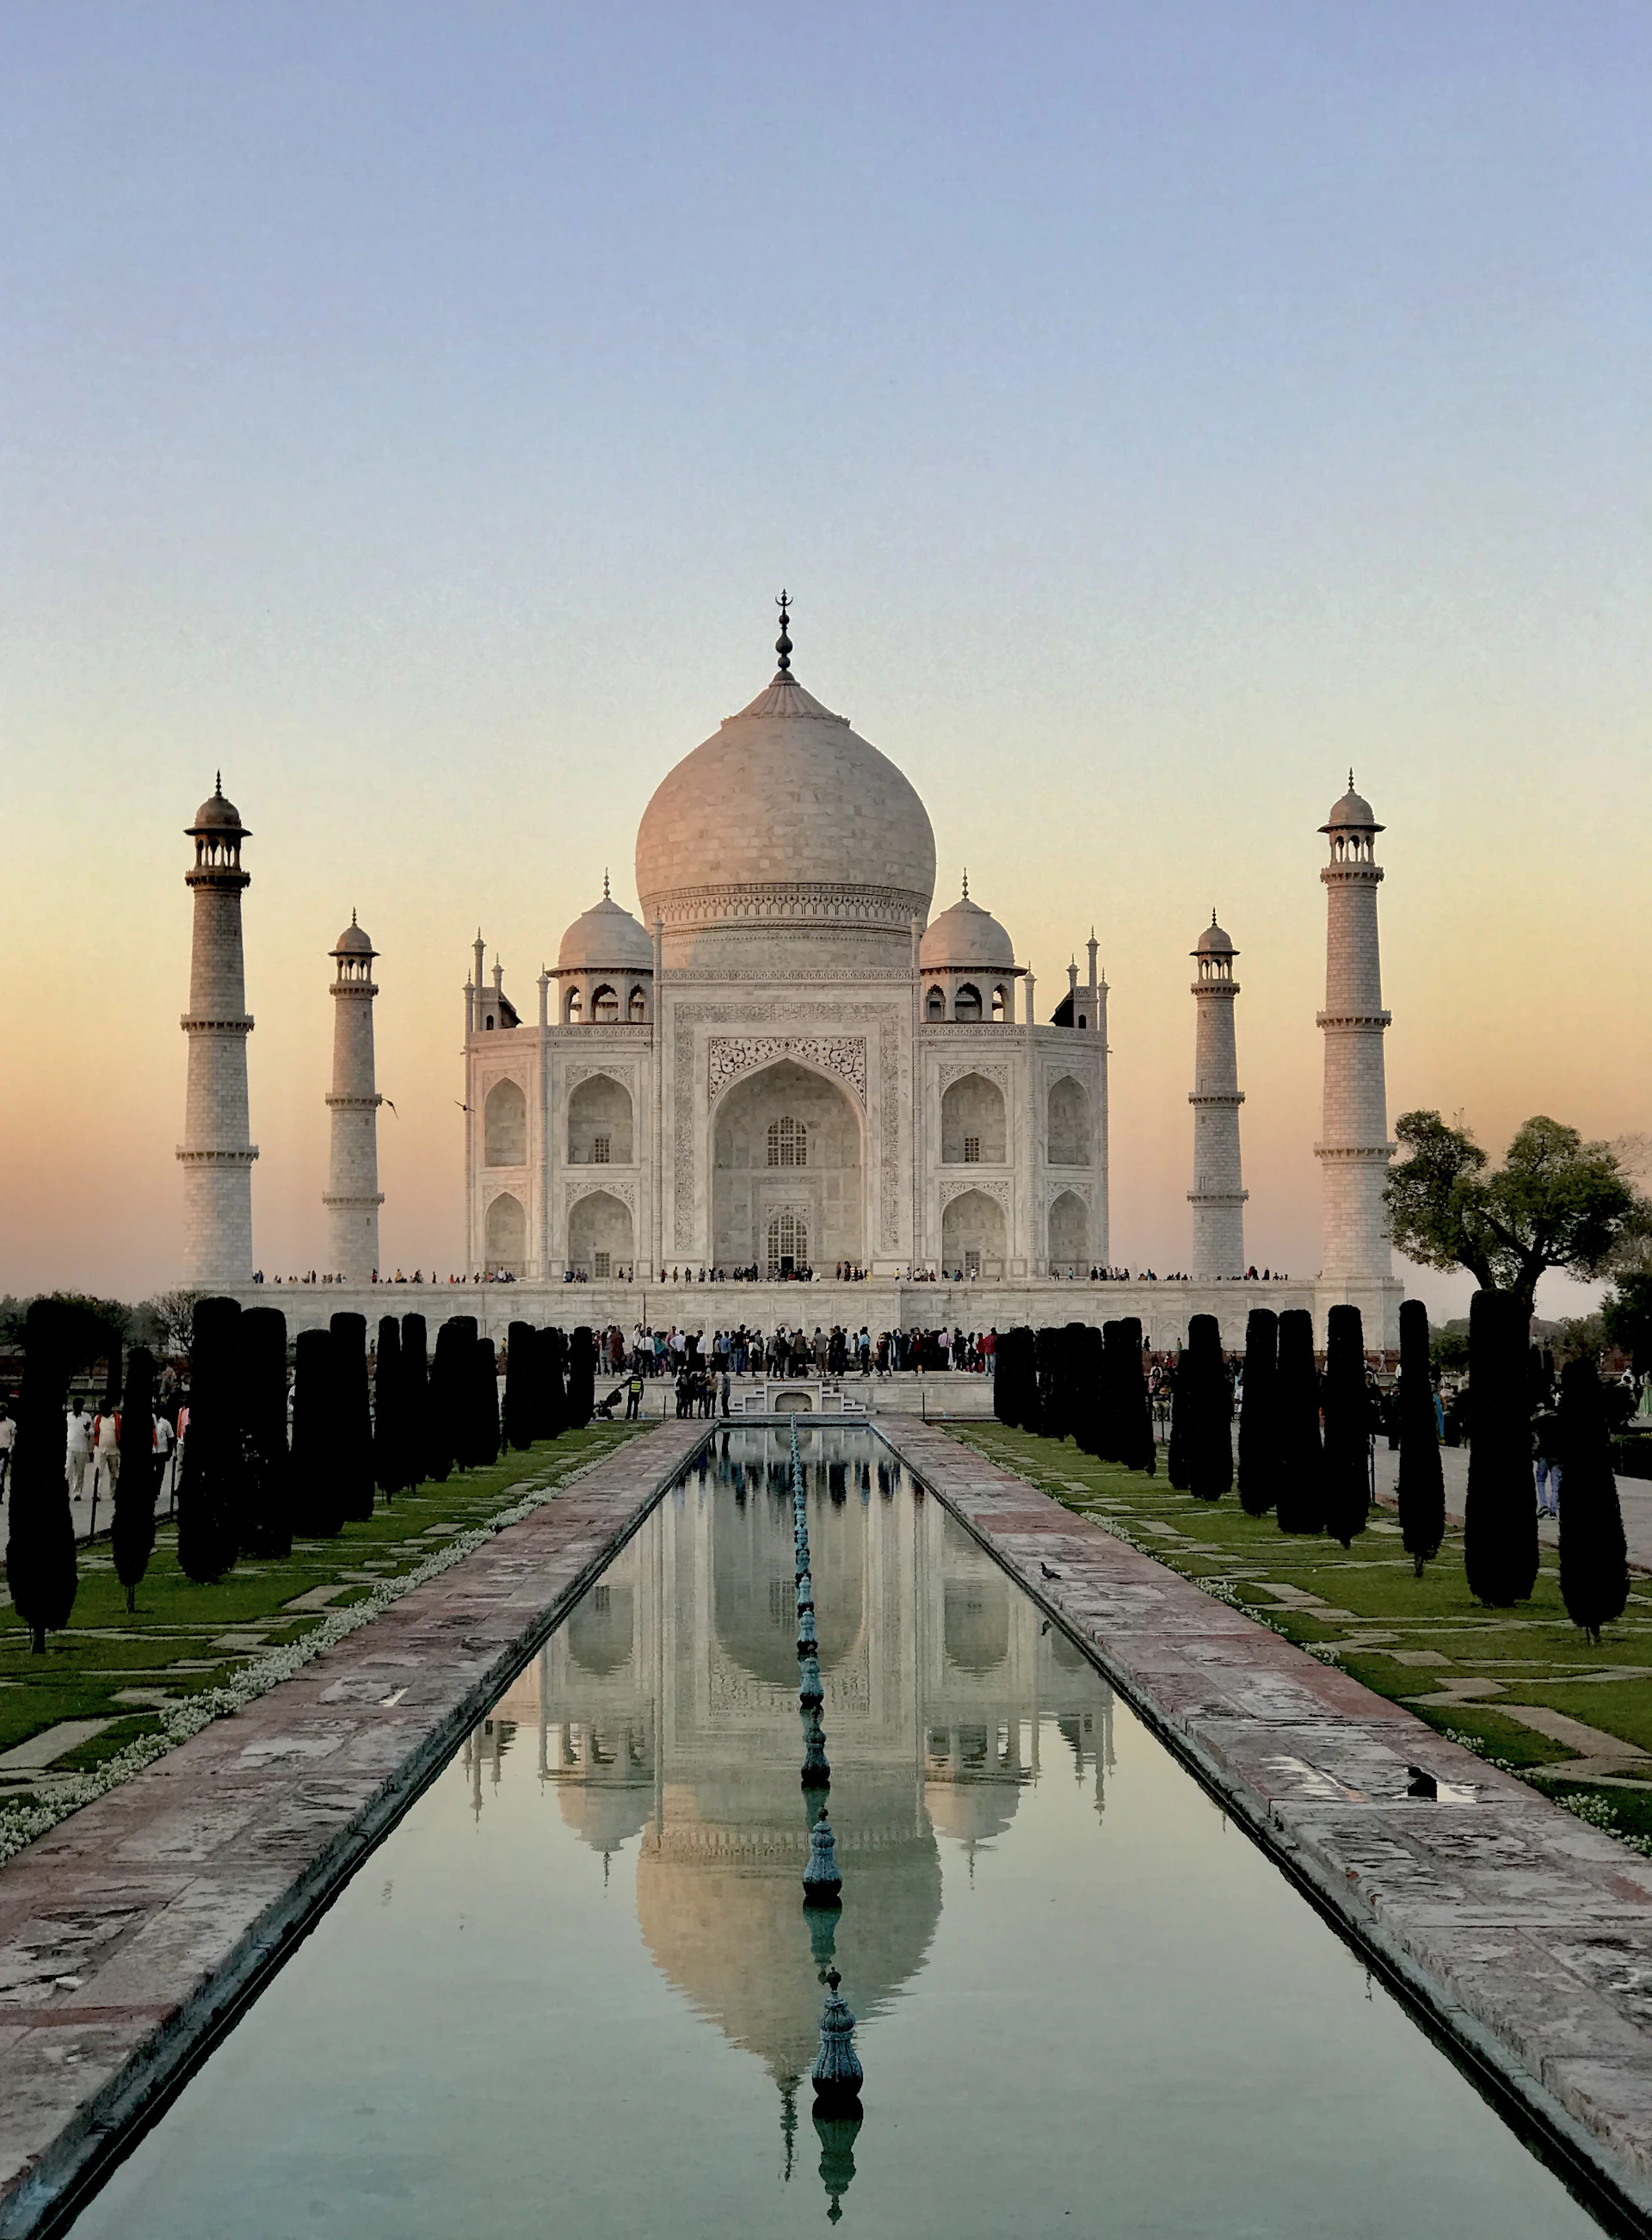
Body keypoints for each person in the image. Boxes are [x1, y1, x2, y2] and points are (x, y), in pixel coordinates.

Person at [1532, 1398, 1563, 1519]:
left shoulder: (1541, 1420)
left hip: (1543, 1454)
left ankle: (1543, 1504)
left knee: (1540, 1480)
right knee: (1556, 1483)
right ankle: (1553, 1509)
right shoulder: (1562, 1420)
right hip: (1558, 1456)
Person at [90, 1398, 121, 1510]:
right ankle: (97, 1494)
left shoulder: (117, 1418)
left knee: (114, 1473)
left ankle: (113, 1493)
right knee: (98, 1472)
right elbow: (93, 1433)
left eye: (104, 1407)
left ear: (109, 1408)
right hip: (100, 1449)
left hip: (114, 1449)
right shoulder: (97, 1419)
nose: (102, 1410)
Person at [65, 1397, 93, 1502]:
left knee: (79, 1471)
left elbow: (92, 1431)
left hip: (82, 1447)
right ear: (73, 1406)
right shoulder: (68, 1416)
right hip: (69, 1446)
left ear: (82, 1406)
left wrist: (88, 1431)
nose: (77, 1407)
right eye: (76, 1405)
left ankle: (77, 1493)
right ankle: (66, 1492)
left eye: (80, 1406)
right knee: (68, 1469)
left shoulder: (87, 1417)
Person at [0, 1401, 13, 1502]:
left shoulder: (11, 1424)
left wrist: (10, 1450)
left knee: (1, 1472)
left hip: (4, 1450)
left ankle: (0, 1493)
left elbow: (13, 1438)